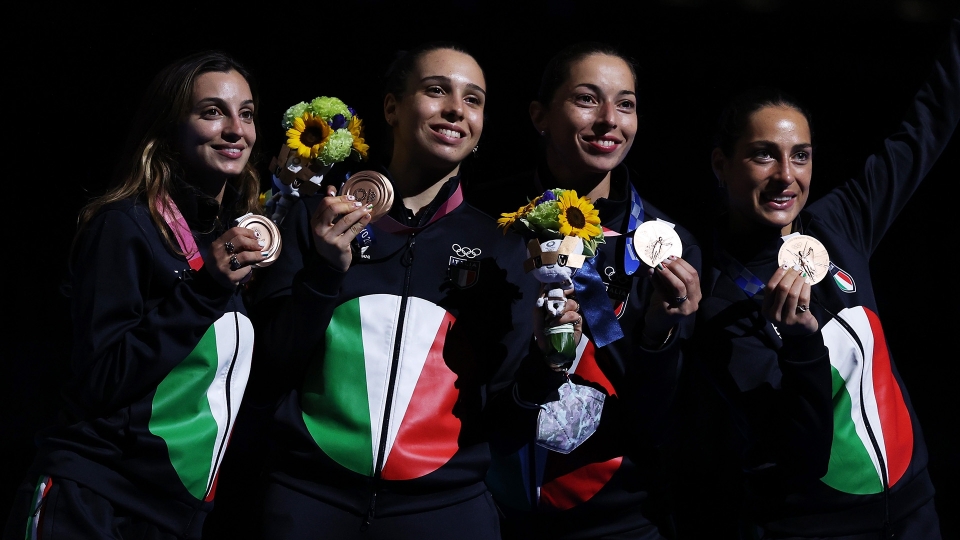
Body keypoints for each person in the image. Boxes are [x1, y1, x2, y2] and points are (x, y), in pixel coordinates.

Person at [246, 42, 539, 539]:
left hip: (444, 511)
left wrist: (548, 370)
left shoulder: (502, 252)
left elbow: (504, 424)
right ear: (391, 108)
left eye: (474, 100)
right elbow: (266, 372)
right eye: (435, 90)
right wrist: (323, 274)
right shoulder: (316, 219)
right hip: (308, 500)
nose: (455, 110)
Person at [682, 17, 958, 539]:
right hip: (818, 527)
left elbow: (926, 127)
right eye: (764, 154)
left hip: (915, 509)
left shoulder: (839, 222)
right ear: (722, 163)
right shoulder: (717, 301)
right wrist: (802, 347)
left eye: (800, 156)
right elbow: (800, 454)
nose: (787, 175)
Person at [3, 50, 264, 540]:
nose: (236, 129)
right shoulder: (124, 226)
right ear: (169, 127)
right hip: (93, 503)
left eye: (246, 113)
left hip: (172, 514)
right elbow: (99, 378)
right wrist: (204, 289)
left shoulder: (229, 236)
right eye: (212, 112)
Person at [468, 42, 702, 540]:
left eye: (625, 104)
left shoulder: (667, 246)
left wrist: (660, 335)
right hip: (483, 509)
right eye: (586, 99)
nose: (609, 121)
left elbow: (656, 422)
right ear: (539, 115)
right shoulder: (485, 218)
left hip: (619, 522)